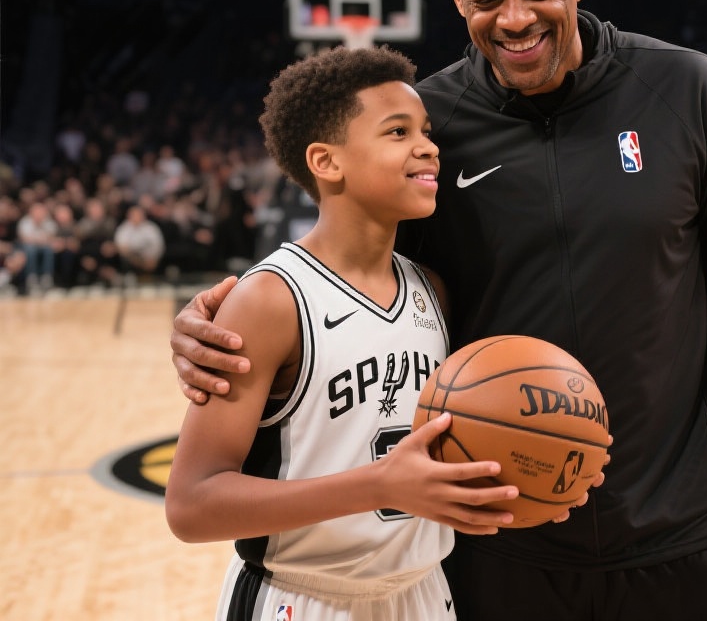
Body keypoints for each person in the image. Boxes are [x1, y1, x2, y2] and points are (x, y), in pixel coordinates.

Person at [170, 0, 707, 620]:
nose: (514, 19)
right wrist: (219, 322)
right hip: (499, 543)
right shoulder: (432, 130)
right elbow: (340, 274)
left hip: (685, 532)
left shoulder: (686, 89)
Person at [164, 45, 544, 621]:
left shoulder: (431, 290)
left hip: (423, 593)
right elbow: (191, 505)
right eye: (398, 132)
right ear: (326, 161)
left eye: (426, 131)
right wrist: (379, 486)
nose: (428, 147)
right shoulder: (272, 299)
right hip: (302, 596)